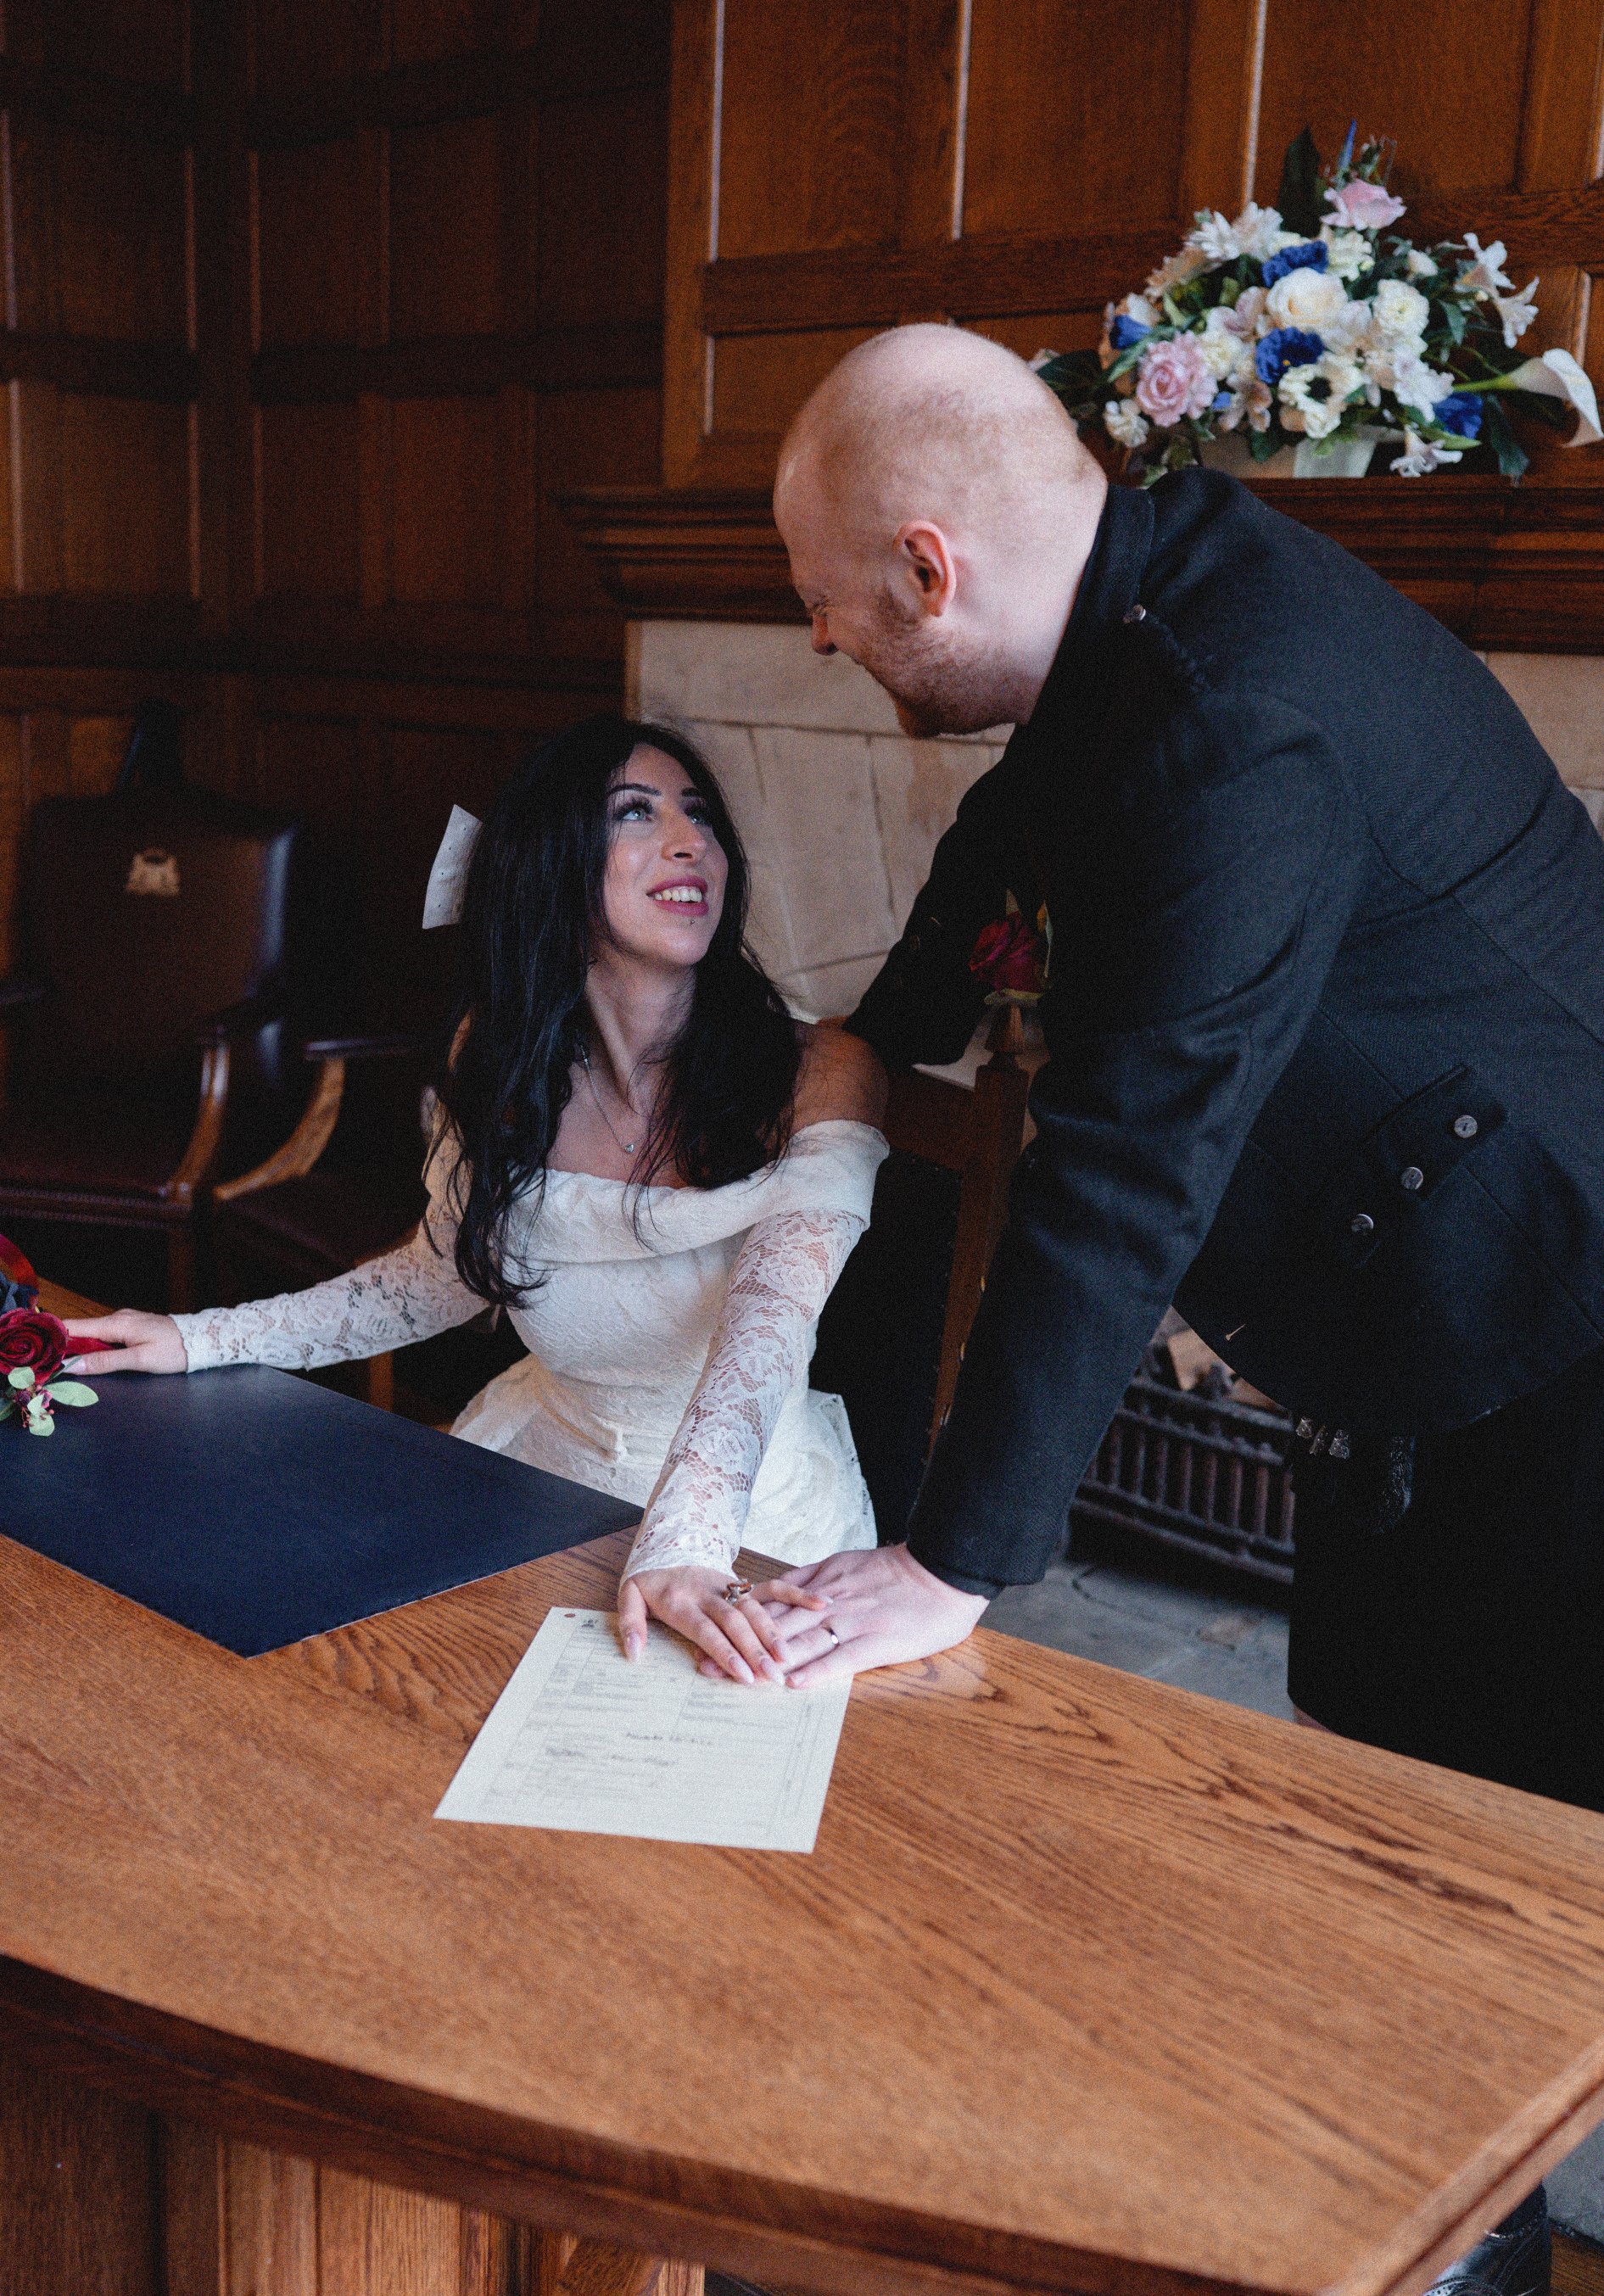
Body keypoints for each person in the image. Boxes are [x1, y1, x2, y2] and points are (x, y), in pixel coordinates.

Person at [743, 319, 1602, 2296]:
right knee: (1377, 1829)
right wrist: (878, 1043)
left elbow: (1126, 1160)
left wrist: (956, 1558)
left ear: (927, 570)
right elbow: (1012, 827)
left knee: (1503, 1899)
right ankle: (1429, 2249)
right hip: (1438, 1337)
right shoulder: (1154, 580)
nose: (821, 647)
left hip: (1562, 1336)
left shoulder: (1234, 705)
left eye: (826, 610)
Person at [71, 717, 888, 1688]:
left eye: (699, 815)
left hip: (749, 1525)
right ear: (551, 868)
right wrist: (199, 1340)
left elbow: (768, 1323)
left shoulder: (824, 1068)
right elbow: (437, 1278)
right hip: (528, 1489)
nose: (690, 841)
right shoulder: (498, 1064)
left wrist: (685, 1541)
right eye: (636, 813)